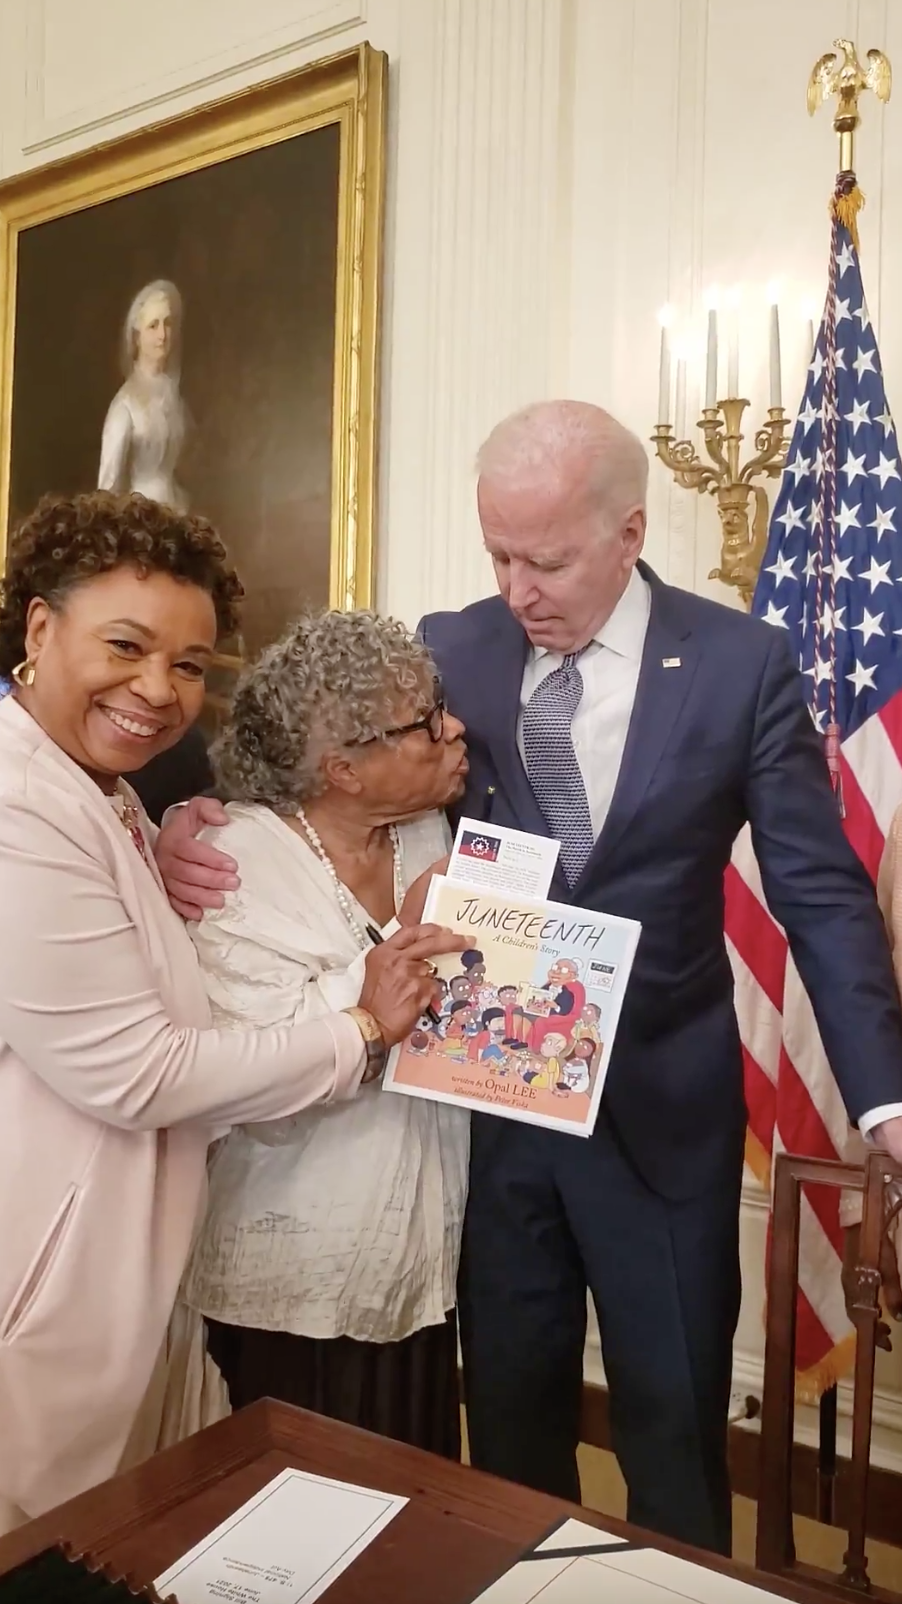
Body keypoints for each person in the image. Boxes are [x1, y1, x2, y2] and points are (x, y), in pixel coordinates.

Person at [153, 400, 902, 1556]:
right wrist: (190, 819)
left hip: (659, 1118)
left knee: (669, 1430)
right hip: (487, 1124)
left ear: (627, 532)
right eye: (496, 552)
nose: (516, 586)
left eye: (544, 559)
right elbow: (338, 779)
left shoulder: (737, 663)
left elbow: (817, 890)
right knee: (506, 1434)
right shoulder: (453, 647)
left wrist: (881, 1096)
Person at [0, 490, 459, 1530]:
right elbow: (140, 1072)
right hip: (44, 1278)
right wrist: (363, 1027)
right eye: (125, 643)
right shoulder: (19, 803)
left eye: (191, 664)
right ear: (39, 627)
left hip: (139, 1274)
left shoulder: (107, 789)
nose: (157, 690)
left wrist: (149, 837)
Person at [177, 611, 470, 1456]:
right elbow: (251, 1095)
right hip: (295, 1281)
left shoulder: (427, 832)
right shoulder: (234, 867)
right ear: (342, 768)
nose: (454, 729)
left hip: (421, 1266)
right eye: (423, 724)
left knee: (411, 1527)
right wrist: (384, 971)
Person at [98, 279, 190, 511]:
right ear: (137, 336)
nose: (163, 335)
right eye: (153, 325)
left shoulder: (173, 395)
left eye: (167, 323)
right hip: (141, 521)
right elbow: (106, 493)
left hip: (177, 512)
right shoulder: (125, 405)